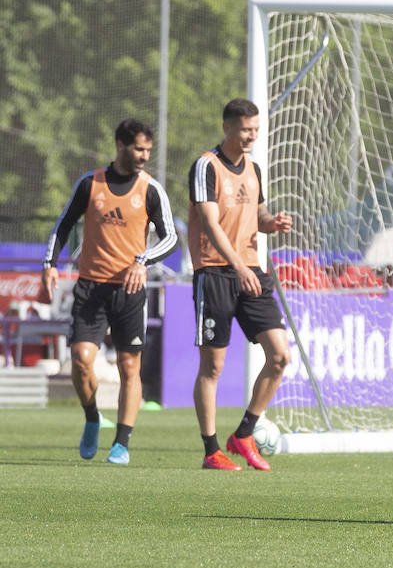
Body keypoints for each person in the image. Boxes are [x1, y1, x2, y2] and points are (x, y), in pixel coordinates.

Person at [40, 118, 178, 465]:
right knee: (81, 359)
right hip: (91, 288)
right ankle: (92, 417)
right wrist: (50, 263)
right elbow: (63, 224)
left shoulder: (151, 189)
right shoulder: (90, 183)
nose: (144, 156)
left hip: (129, 291)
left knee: (130, 367)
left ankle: (122, 443)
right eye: (139, 149)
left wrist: (142, 261)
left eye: (148, 149)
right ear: (120, 145)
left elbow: (171, 238)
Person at [189, 98, 294, 471]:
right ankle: (211, 450)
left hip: (251, 271)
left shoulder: (254, 168)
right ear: (228, 127)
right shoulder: (206, 166)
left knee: (280, 355)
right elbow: (210, 222)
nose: (252, 136)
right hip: (216, 272)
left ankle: (245, 432)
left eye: (256, 129)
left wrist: (272, 223)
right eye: (246, 129)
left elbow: (258, 214)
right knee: (213, 367)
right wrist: (237, 266)